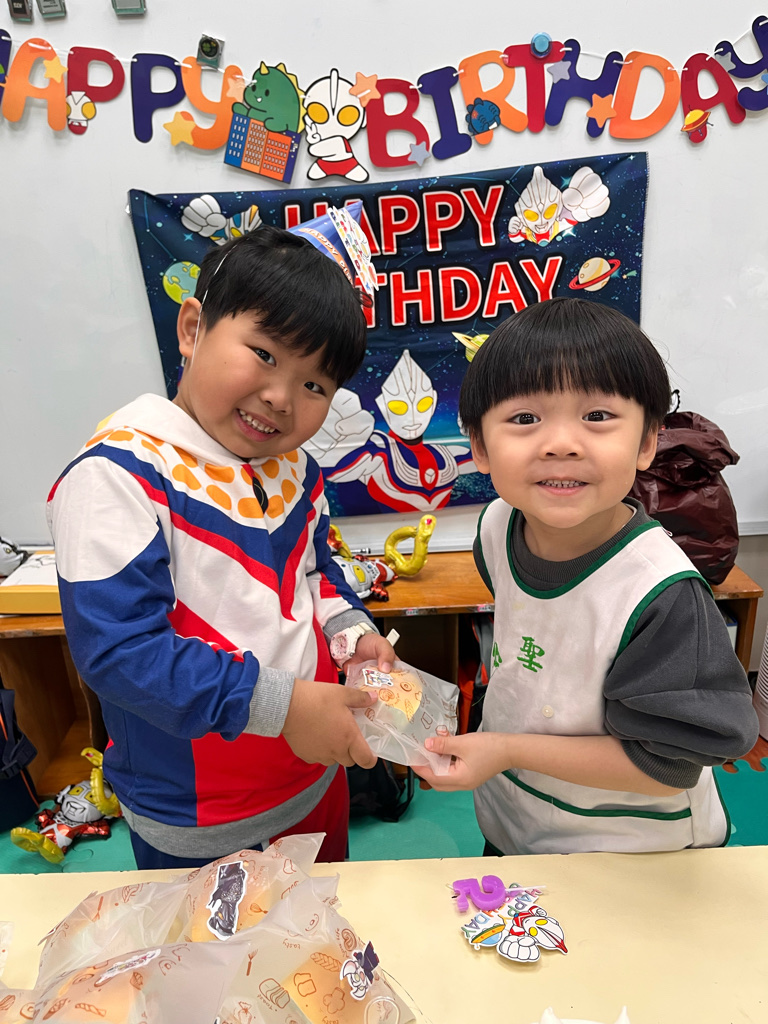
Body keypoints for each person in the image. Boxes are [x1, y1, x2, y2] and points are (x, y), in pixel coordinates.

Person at [47, 225, 395, 869]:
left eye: (316, 386)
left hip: (314, 781)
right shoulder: (117, 475)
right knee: (214, 940)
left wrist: (351, 631)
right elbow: (121, 653)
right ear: (191, 329)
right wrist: (286, 707)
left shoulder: (296, 469)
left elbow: (316, 572)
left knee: (321, 929)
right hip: (200, 814)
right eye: (264, 353)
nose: (281, 398)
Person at [415, 297, 758, 855]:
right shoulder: (498, 525)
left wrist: (506, 750)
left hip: (632, 849)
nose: (561, 444)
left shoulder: (661, 594)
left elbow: (666, 766)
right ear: (479, 446)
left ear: (647, 442)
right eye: (525, 419)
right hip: (519, 819)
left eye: (597, 417)